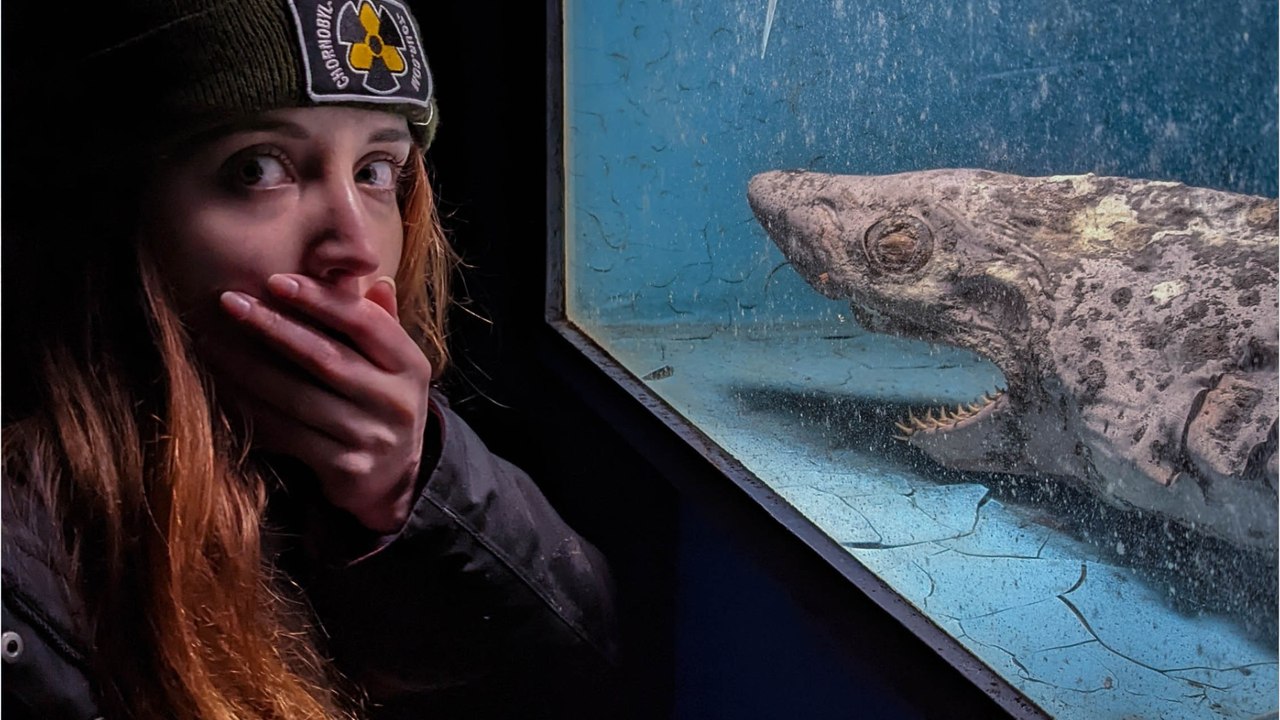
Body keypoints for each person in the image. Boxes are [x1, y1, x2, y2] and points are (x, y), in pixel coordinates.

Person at [0, 0, 619, 718]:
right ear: (118, 215)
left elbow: (591, 661)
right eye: (258, 168)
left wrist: (411, 493)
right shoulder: (26, 567)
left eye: (377, 170)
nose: (355, 244)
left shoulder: (364, 456)